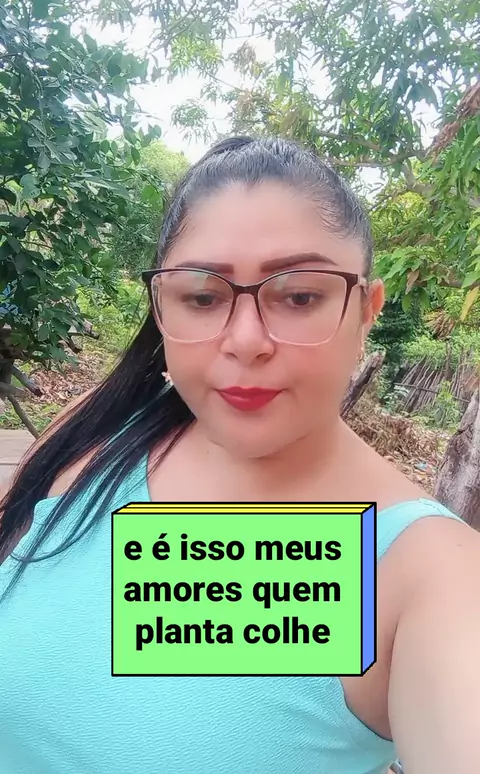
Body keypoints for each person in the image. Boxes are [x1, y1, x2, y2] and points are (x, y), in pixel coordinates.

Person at [0, 136, 478, 774]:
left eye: (299, 296)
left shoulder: (424, 572)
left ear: (366, 312)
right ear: (161, 309)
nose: (246, 341)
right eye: (203, 297)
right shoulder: (94, 434)